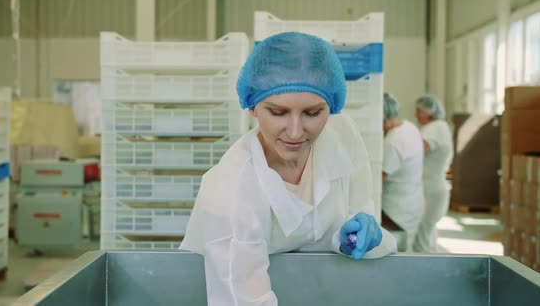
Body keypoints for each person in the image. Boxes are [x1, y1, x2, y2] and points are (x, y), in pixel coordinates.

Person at [180, 32, 397, 305]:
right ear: (252, 107)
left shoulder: (342, 136)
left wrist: (348, 237)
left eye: (313, 113)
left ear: (331, 105)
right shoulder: (230, 188)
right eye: (278, 112)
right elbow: (244, 300)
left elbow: (349, 219)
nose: (295, 132)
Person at [380, 93, 424, 252]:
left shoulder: (393, 141)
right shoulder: (409, 127)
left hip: (396, 209)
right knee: (409, 249)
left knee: (399, 253)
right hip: (413, 201)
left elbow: (380, 178)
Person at [413, 94, 453, 253]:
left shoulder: (436, 127)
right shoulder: (435, 127)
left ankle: (424, 271)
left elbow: (422, 146)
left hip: (432, 188)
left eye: (419, 111)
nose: (416, 114)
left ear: (429, 112)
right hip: (432, 187)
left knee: (422, 234)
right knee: (427, 235)